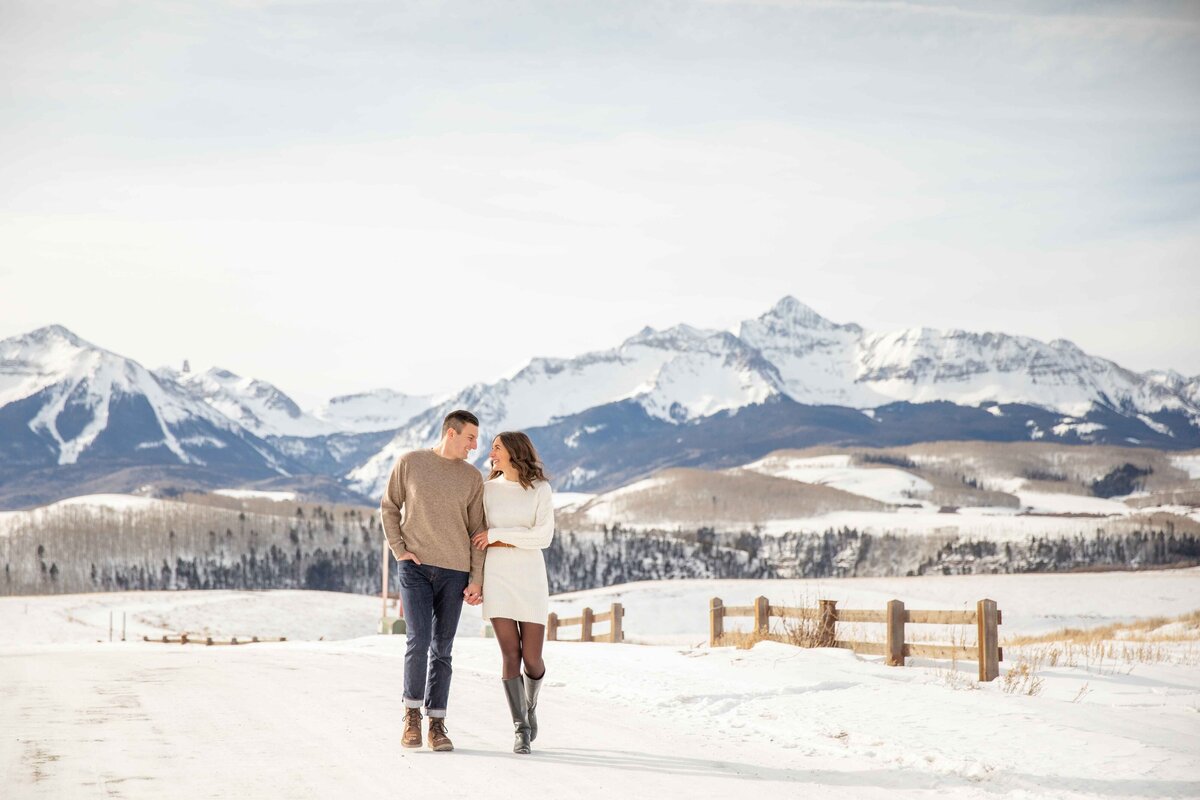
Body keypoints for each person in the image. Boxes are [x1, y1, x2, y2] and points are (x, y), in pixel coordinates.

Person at [380, 409, 486, 753]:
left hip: (454, 571)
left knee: (443, 648)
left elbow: (477, 533)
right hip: (416, 566)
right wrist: (399, 550)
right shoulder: (410, 462)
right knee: (419, 638)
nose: (475, 445)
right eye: (470, 437)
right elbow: (389, 506)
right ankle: (411, 715)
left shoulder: (472, 478)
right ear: (451, 433)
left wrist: (476, 578)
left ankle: (436, 723)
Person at [471, 431, 555, 755]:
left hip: (531, 577)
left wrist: (498, 535)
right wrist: (502, 539)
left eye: (496, 448)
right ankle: (520, 728)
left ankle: (530, 704)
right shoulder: (487, 490)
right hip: (497, 577)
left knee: (532, 659)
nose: (491, 453)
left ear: (513, 452)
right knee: (511, 655)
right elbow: (478, 538)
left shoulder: (540, 489)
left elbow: (543, 537)